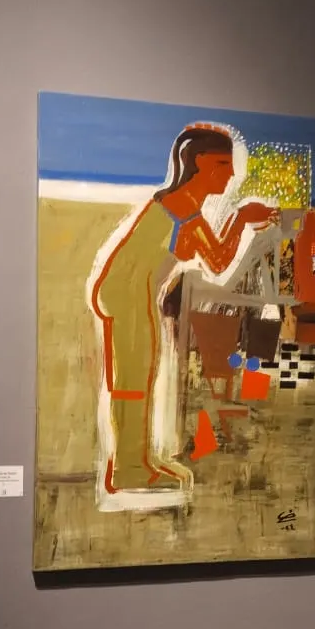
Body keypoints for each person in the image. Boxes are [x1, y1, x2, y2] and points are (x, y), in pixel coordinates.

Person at [89, 124, 277, 494]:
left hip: (131, 291)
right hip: (128, 293)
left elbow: (207, 256)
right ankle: (127, 469)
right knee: (133, 381)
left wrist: (240, 221)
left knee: (137, 378)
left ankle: (136, 461)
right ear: (201, 162)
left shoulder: (184, 205)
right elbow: (219, 262)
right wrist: (241, 219)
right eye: (224, 164)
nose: (231, 174)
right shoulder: (182, 206)